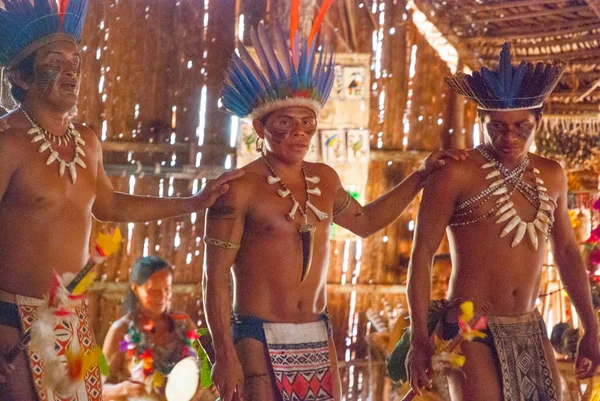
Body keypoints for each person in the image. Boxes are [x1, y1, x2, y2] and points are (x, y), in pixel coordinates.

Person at [202, 7, 467, 401]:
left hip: (316, 333)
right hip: (255, 334)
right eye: (285, 123)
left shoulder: (324, 179)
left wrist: (419, 178)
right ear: (260, 127)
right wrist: (225, 352)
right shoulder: (238, 189)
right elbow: (215, 278)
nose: (299, 133)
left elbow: (366, 221)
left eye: (307, 122)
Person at [0, 1, 242, 400]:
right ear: (21, 77)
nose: (71, 71)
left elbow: (111, 207)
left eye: (75, 61)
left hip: (71, 322)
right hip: (12, 325)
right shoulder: (8, 142)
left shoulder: (87, 142)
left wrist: (195, 202)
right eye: (54, 61)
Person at [405, 42, 600, 401]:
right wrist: (419, 338)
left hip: (529, 325)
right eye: (496, 127)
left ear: (538, 122)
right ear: (481, 122)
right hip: (469, 324)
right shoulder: (455, 173)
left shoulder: (552, 174)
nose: (508, 137)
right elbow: (422, 255)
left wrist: (591, 328)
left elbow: (568, 251)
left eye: (521, 126)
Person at [102, 256, 216, 401]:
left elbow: (208, 361)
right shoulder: (122, 330)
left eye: (167, 289)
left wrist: (213, 380)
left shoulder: (183, 322)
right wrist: (123, 389)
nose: (162, 296)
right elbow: (97, 387)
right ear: (136, 289)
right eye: (153, 291)